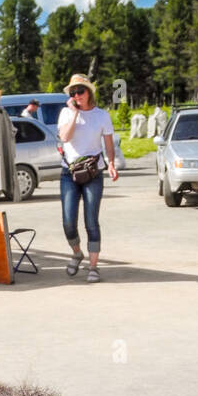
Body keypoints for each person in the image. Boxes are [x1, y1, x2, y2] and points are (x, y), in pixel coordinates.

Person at [57, 73, 118, 283]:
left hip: (94, 172)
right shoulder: (66, 113)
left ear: (89, 92)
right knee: (68, 222)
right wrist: (74, 113)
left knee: (91, 221)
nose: (77, 95)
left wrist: (111, 163)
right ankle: (76, 253)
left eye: (80, 91)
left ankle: (93, 266)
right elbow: (65, 137)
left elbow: (108, 143)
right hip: (69, 173)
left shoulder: (102, 115)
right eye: (73, 92)